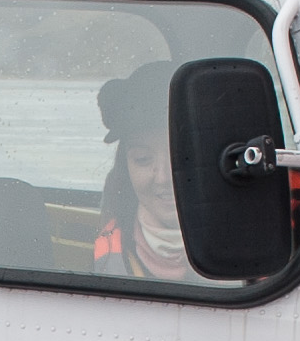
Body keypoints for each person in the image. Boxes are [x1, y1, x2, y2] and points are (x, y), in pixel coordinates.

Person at [86, 61, 209, 282]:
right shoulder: (107, 250)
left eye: (183, 156)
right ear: (126, 167)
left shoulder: (255, 242)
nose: (163, 177)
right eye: (142, 159)